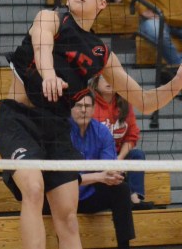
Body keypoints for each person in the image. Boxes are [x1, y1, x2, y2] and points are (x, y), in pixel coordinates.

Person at [0, 0, 182, 249]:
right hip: (19, 120)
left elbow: (143, 101)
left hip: (56, 129)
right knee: (33, 188)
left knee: (68, 215)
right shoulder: (50, 18)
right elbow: (42, 47)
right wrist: (49, 75)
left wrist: (177, 84)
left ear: (102, 4)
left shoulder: (101, 54)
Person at [69, 89, 135, 249]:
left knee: (121, 189)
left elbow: (108, 168)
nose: (83, 110)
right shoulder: (61, 132)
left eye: (87, 106)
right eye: (78, 106)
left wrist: (113, 175)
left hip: (90, 194)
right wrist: (100, 176)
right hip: (65, 196)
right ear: (70, 108)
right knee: (57, 190)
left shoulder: (102, 132)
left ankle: (124, 245)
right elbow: (64, 178)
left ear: (93, 109)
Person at [89, 75, 152, 210]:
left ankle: (135, 198)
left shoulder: (124, 102)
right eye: (105, 78)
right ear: (95, 82)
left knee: (137, 155)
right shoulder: (90, 104)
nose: (110, 81)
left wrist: (119, 159)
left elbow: (132, 135)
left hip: (118, 154)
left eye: (113, 78)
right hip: (97, 156)